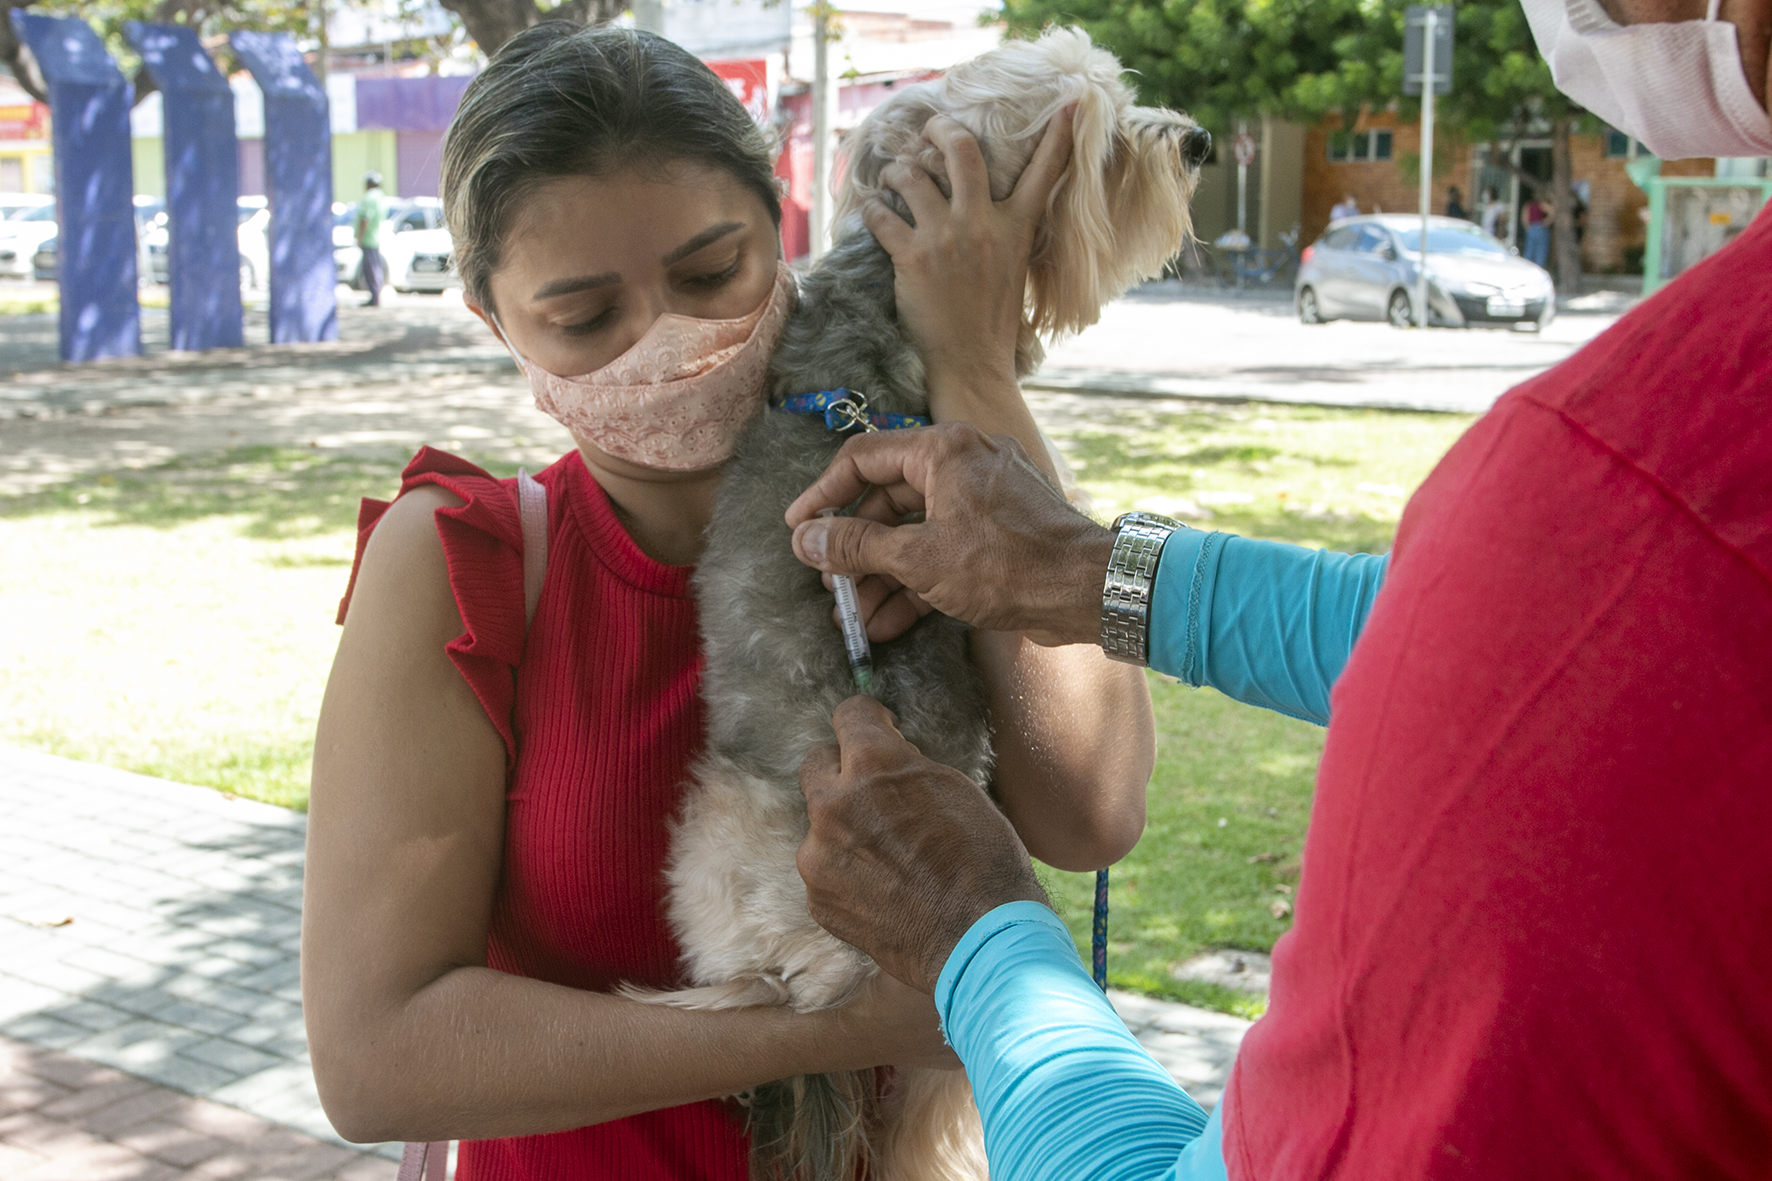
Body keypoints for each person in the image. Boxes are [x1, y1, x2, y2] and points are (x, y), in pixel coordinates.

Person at [780, 0, 1772, 1171]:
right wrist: (1100, 571)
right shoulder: (1641, 514)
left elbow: (1095, 809)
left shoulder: (1630, 484)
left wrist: (980, 937)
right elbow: (1462, 628)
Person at [301, 23, 1152, 1181]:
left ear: (783, 227)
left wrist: (973, 369)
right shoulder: (467, 561)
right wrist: (838, 1024)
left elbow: (1089, 807)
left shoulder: (916, 487)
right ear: (494, 318)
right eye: (584, 314)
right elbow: (376, 1054)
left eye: (711, 275)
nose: (668, 340)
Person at [354, 171, 388, 307]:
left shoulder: (369, 197)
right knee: (375, 267)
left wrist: (360, 238)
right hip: (376, 237)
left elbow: (365, 219)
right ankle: (376, 296)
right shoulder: (381, 197)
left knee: (371, 269)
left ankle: (374, 298)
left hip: (368, 239)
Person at [1522, 191, 1551, 267]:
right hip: (1540, 227)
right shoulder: (1541, 204)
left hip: (1531, 228)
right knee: (1541, 251)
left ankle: (1526, 268)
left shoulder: (1528, 205)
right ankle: (1538, 269)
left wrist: (1527, 227)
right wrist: (1546, 222)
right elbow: (1553, 212)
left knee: (1529, 250)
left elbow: (1524, 218)